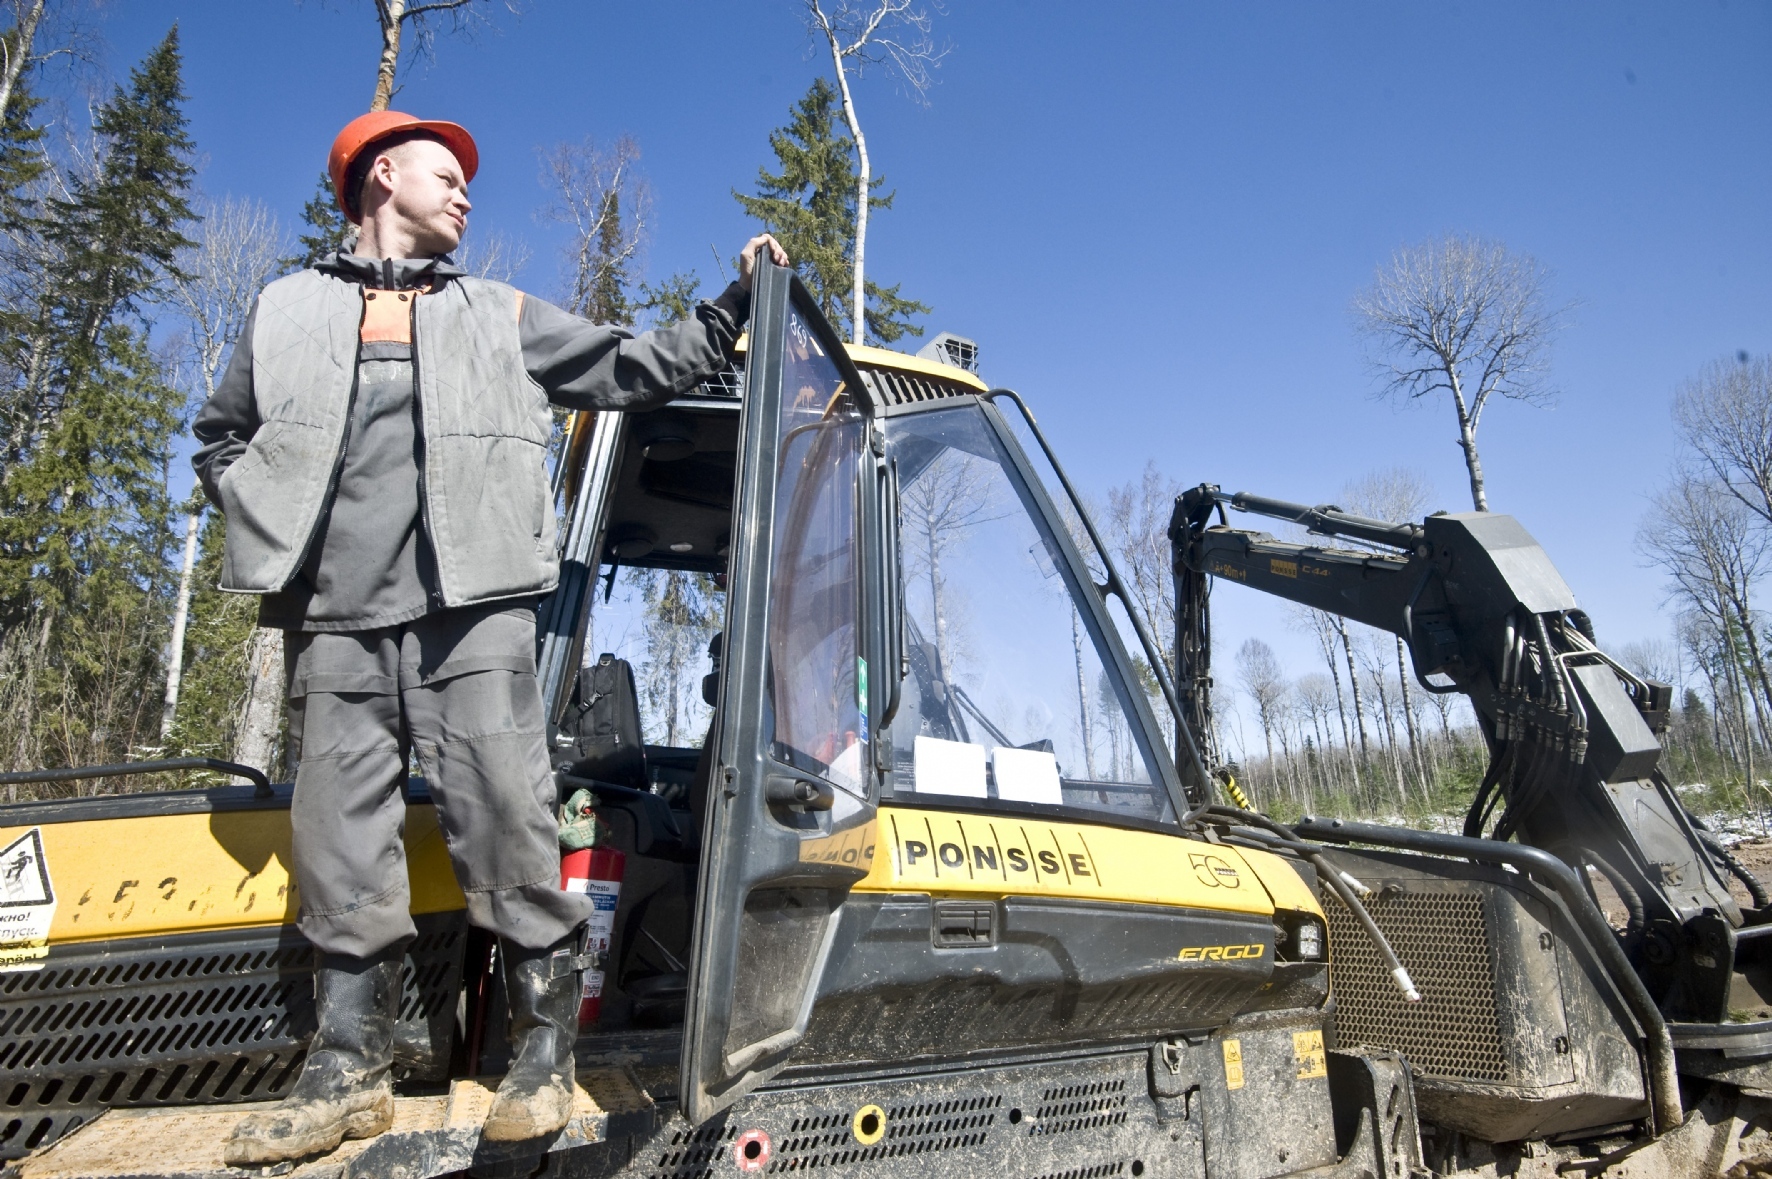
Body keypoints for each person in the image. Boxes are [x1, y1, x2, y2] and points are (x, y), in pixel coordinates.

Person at [192, 110, 786, 1165]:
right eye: (444, 172)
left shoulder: (497, 313)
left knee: (508, 821)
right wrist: (263, 512)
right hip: (334, 618)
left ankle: (542, 1054)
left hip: (473, 612)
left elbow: (636, 367)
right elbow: (219, 436)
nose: (464, 191)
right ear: (381, 176)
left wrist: (736, 301)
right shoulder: (282, 311)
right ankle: (347, 1073)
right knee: (337, 845)